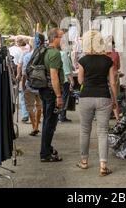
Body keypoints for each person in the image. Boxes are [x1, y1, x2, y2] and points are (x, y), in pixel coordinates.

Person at [77, 30, 118, 176]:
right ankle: (103, 165)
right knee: (103, 132)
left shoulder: (83, 60)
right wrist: (115, 100)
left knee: (84, 130)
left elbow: (80, 81)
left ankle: (84, 161)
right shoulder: (108, 61)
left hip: (86, 96)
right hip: (104, 97)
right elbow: (113, 83)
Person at [38, 28, 65, 162]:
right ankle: (45, 154)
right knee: (50, 123)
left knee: (47, 121)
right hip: (51, 92)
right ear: (55, 38)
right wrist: (59, 96)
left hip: (44, 90)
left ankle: (47, 148)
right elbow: (54, 76)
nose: (63, 39)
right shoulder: (54, 53)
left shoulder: (45, 51)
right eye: (62, 37)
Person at [22, 36, 44, 136]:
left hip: (30, 85)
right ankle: (37, 126)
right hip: (41, 85)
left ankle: (34, 126)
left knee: (30, 107)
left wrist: (23, 85)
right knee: (39, 106)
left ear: (31, 44)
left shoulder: (27, 56)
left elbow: (24, 73)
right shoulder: (43, 55)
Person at [10, 37, 30, 122]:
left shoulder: (13, 49)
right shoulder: (29, 50)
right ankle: (31, 114)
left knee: (22, 94)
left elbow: (19, 65)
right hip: (30, 75)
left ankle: (25, 114)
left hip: (20, 72)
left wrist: (18, 74)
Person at [59, 35, 75, 123]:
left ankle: (61, 115)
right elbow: (66, 69)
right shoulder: (64, 54)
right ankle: (62, 116)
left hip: (60, 79)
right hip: (65, 80)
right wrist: (72, 80)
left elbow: (69, 66)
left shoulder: (61, 54)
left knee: (61, 97)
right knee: (64, 97)